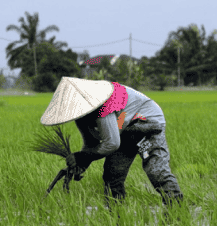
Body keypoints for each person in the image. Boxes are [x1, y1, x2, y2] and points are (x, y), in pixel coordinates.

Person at [40, 77, 183, 209]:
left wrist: (81, 157)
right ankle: (116, 212)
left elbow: (111, 144)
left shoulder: (103, 106)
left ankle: (177, 207)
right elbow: (91, 144)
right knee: (112, 173)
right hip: (123, 130)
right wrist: (81, 165)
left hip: (146, 124)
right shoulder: (81, 117)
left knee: (155, 169)